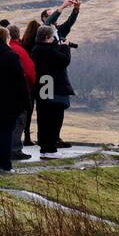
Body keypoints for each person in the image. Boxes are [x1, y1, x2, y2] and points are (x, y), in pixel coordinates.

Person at [0, 27, 30, 172]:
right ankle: (5, 164)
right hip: (8, 102)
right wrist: (26, 101)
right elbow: (20, 80)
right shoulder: (10, 55)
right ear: (7, 38)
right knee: (6, 133)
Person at [30, 24, 75, 159]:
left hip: (44, 85)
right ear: (47, 37)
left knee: (44, 117)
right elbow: (64, 60)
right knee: (53, 117)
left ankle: (45, 147)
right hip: (51, 86)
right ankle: (50, 148)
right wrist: (66, 47)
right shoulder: (46, 50)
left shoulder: (37, 48)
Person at [7, 24, 36, 161]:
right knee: (19, 121)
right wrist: (29, 87)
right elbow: (30, 71)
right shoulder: (18, 50)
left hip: (4, 92)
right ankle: (15, 150)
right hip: (19, 91)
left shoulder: (1, 49)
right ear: (18, 35)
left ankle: (6, 149)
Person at [20, 18, 41, 145]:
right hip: (40, 78)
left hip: (27, 80)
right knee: (42, 108)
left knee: (29, 107)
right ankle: (41, 134)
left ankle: (26, 134)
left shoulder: (24, 43)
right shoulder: (38, 45)